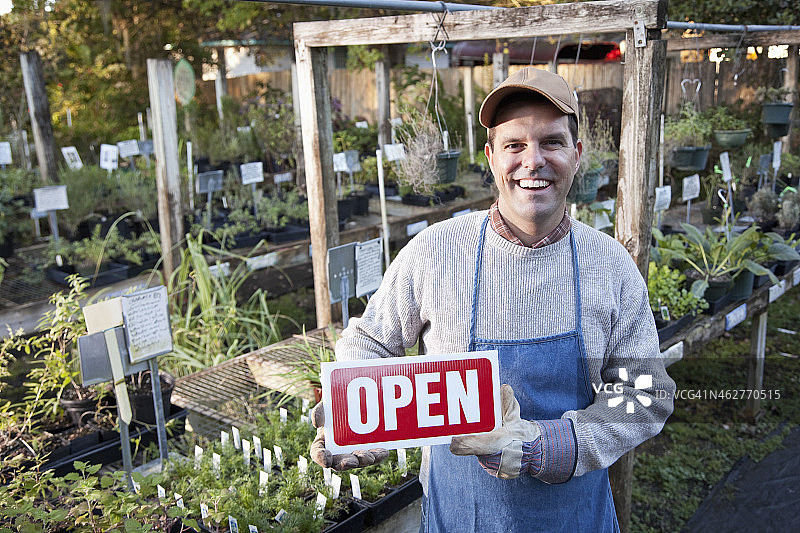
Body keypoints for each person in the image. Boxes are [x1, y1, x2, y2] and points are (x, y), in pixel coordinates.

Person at [310, 67, 675, 532]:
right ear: (491, 156)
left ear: (577, 154)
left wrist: (551, 445)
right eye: (515, 145)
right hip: (461, 516)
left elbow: (644, 394)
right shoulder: (436, 251)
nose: (533, 161)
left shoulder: (610, 266)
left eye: (552, 143)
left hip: (573, 518)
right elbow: (371, 341)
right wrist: (357, 417)